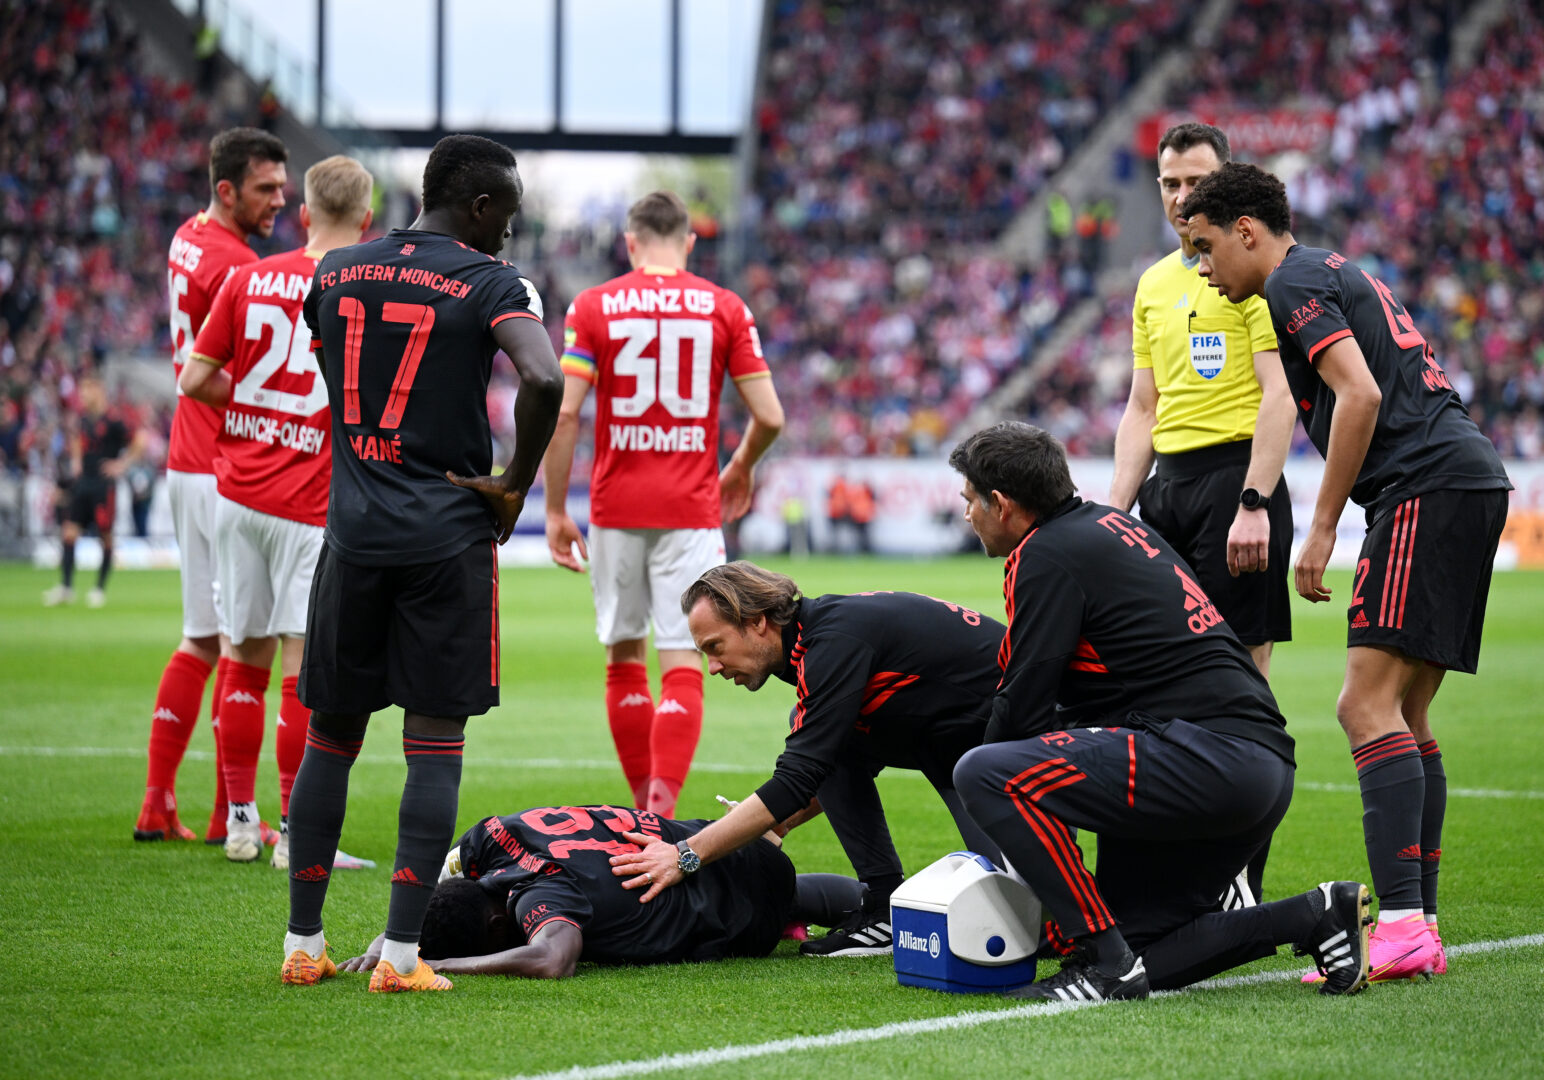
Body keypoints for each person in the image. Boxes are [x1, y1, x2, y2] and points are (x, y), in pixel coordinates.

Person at [1182, 162, 1513, 982]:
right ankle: (1418, 923)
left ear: (1246, 231)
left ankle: (1398, 924)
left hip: (1423, 487)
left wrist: (1324, 525)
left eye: (1205, 247)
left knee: (1362, 706)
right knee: (1406, 711)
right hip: (1466, 479)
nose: (1202, 267)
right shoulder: (1327, 270)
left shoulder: (1291, 283)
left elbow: (1358, 397)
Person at [945, 421, 1373, 1000]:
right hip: (1254, 767)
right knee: (1142, 949)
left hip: (1203, 756)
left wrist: (1004, 829)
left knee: (982, 772)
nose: (966, 514)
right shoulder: (1109, 525)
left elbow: (1021, 708)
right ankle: (1314, 915)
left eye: (970, 500)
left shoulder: (1043, 552)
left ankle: (1105, 965)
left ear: (1001, 504)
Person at [280, 134, 565, 992]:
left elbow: (330, 360)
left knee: (330, 737)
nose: (509, 232)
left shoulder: (335, 271)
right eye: (506, 214)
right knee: (433, 744)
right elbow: (543, 379)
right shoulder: (491, 281)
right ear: (478, 206)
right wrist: (513, 485)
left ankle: (302, 946)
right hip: (444, 540)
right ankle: (402, 958)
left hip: (353, 533)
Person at [542, 190, 784, 818]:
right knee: (684, 656)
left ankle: (638, 812)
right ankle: (661, 810)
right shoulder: (723, 307)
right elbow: (769, 416)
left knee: (624, 654)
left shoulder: (594, 305)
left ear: (630, 242)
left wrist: (555, 509)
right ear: (689, 242)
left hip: (616, 507)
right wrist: (740, 466)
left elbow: (565, 414)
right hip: (690, 507)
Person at [1109, 122, 1295, 907]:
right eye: (1170, 184)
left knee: (1241, 689)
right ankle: (1174, 871)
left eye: (1196, 182)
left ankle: (1241, 876)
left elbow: (1279, 395)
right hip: (1168, 490)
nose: (1182, 197)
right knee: (1153, 682)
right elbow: (1141, 407)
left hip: (1235, 483)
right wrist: (1113, 514)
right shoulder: (1154, 284)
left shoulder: (1249, 275)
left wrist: (1254, 500)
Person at [179, 155, 376, 870]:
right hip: (306, 502)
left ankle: (241, 823)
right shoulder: (360, 290)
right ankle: (295, 834)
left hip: (237, 495)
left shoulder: (247, 277)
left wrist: (255, 410)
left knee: (241, 657)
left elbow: (194, 377)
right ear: (366, 221)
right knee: (301, 669)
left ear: (303, 214)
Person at [674, 561, 1005, 956]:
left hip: (1016, 751)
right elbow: (828, 760)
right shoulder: (817, 638)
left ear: (757, 621)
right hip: (962, 751)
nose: (712, 667)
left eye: (715, 647)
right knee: (820, 731)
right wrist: (779, 824)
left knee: (1030, 923)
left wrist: (684, 855)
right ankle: (882, 906)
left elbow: (797, 778)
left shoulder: (831, 642)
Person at [135, 127, 287, 845]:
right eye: (265, 189)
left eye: (283, 188)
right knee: (242, 649)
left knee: (200, 638)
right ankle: (235, 811)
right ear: (226, 190)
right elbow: (245, 378)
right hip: (223, 469)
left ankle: (156, 801)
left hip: (184, 460)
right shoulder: (239, 264)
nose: (278, 201)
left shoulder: (187, 238)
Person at [328, 804, 868, 983]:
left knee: (781, 902)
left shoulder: (537, 898)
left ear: (495, 926)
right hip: (715, 839)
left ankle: (880, 902)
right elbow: (432, 883)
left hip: (739, 902)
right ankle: (882, 900)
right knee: (791, 894)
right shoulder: (489, 838)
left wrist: (444, 963)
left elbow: (552, 959)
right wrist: (392, 942)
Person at [44, 374, 144, 609]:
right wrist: (77, 461)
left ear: (99, 390)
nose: (83, 396)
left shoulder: (114, 420)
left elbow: (140, 440)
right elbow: (76, 439)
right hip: (83, 484)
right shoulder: (83, 419)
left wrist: (122, 465)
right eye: (82, 391)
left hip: (103, 485)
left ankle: (99, 589)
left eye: (87, 390)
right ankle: (66, 587)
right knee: (69, 532)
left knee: (105, 536)